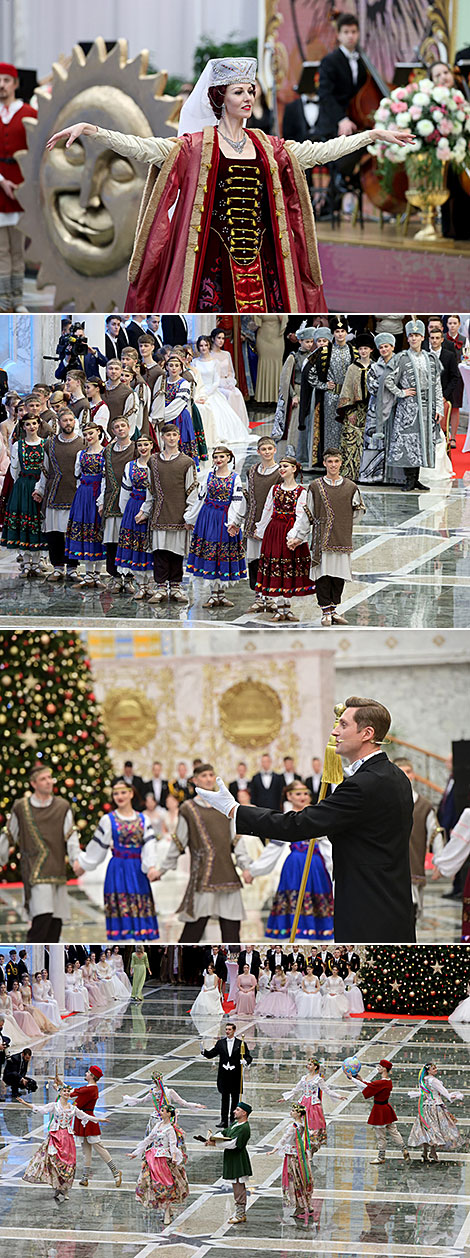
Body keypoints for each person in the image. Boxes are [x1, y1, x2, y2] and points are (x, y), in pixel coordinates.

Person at [47, 58, 412, 314]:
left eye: (250, 91)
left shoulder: (268, 146)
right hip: (210, 263)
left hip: (264, 261)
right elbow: (144, 149)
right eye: (240, 92)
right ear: (221, 97)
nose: (248, 98)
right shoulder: (194, 146)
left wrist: (371, 135)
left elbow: (320, 152)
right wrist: (93, 131)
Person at [196, 696, 416, 942]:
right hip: (392, 898)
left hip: (367, 902)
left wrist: (235, 810)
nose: (335, 732)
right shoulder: (395, 775)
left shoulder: (364, 784)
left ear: (367, 733)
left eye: (343, 725)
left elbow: (297, 825)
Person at [154, 763, 252, 942]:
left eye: (211, 775)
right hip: (202, 876)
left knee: (232, 934)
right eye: (204, 775)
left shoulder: (227, 806)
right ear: (195, 780)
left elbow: (237, 840)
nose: (208, 779)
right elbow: (178, 843)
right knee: (193, 932)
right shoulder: (188, 809)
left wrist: (246, 868)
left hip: (228, 875)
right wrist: (162, 870)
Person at [73, 778, 160, 940]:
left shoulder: (143, 819)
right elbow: (97, 847)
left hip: (137, 869)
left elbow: (149, 845)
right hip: (118, 869)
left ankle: (141, 937)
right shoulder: (108, 820)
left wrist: (151, 867)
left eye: (123, 792)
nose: (119, 796)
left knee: (139, 903)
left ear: (131, 794)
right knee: (120, 905)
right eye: (116, 793)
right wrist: (84, 864)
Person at [245, 780, 334, 939]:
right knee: (295, 907)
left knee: (317, 905)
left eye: (305, 793)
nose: (303, 797)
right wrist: (254, 870)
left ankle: (316, 935)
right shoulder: (285, 818)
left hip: (316, 867)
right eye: (298, 794)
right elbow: (273, 849)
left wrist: (334, 865)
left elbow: (327, 845)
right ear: (289, 796)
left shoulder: (317, 815)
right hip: (294, 868)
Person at [287, 447, 364, 626]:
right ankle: (325, 611)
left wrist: (344, 523)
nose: (333, 465)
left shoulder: (351, 487)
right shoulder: (316, 486)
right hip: (321, 539)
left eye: (336, 461)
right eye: (330, 462)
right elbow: (308, 513)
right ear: (324, 463)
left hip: (342, 538)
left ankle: (334, 609)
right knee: (323, 575)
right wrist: (299, 536)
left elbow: (358, 512)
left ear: (341, 462)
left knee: (338, 575)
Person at [5, 763, 81, 942]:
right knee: (42, 916)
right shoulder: (21, 807)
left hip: (57, 870)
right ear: (33, 783)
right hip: (34, 871)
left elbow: (70, 836)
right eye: (43, 779)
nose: (48, 782)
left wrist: (76, 859)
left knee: (55, 922)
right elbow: (9, 835)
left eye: (49, 778)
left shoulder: (62, 806)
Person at [137, 420, 198, 605]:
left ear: (179, 437)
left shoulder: (187, 462)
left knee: (176, 552)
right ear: (162, 438)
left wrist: (189, 516)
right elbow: (150, 490)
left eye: (174, 435)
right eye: (168, 435)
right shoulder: (153, 461)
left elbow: (192, 491)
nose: (171, 438)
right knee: (160, 551)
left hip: (179, 514)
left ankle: (177, 586)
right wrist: (144, 511)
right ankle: (161, 587)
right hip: (159, 513)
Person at [385, 319, 444, 492]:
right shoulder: (401, 358)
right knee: (408, 442)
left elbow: (437, 385)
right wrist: (401, 392)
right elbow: (388, 380)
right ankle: (409, 479)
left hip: (427, 406)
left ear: (422, 337)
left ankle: (416, 478)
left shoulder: (430, 358)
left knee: (421, 442)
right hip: (408, 408)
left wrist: (439, 407)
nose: (414, 339)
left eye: (417, 335)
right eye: (411, 336)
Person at [186, 445, 247, 609]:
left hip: (225, 518)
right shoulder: (208, 476)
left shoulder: (235, 478)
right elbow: (200, 498)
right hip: (208, 517)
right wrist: (191, 518)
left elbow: (237, 501)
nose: (218, 460)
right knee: (210, 551)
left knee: (222, 552)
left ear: (228, 458)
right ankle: (214, 594)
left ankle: (222, 593)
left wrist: (233, 522)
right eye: (216, 457)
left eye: (222, 457)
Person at [255, 453, 314, 622]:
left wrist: (294, 536)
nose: (282, 469)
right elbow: (267, 510)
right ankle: (280, 609)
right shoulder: (274, 489)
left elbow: (302, 516)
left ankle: (287, 608)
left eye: (285, 466)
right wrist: (260, 530)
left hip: (290, 532)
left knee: (289, 568)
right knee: (276, 568)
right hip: (274, 531)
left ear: (294, 469)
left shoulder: (301, 492)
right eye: (280, 466)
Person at [0, 62, 36, 312]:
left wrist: (25, 183)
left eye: (6, 80)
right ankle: (4, 299)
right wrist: (2, 181)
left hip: (21, 186)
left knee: (18, 248)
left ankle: (18, 298)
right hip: (1, 183)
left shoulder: (28, 113)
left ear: (15, 84)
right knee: (2, 249)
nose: (2, 85)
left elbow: (37, 152)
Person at [32, 407, 83, 582]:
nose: (67, 423)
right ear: (59, 423)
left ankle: (73, 568)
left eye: (70, 420)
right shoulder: (50, 444)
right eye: (64, 420)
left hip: (75, 494)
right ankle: (58, 567)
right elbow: (45, 470)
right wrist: (40, 489)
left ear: (74, 422)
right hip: (54, 493)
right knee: (54, 533)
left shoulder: (82, 443)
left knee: (72, 533)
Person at [394, 758, 444, 922]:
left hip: (413, 868)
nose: (405, 775)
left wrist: (440, 862)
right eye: (400, 771)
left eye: (408, 771)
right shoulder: (384, 802)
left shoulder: (424, 805)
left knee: (412, 913)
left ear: (413, 774)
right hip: (388, 869)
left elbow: (434, 833)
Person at [21, 1083, 90, 1203]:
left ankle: (65, 1188)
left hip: (67, 1139)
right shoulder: (55, 1106)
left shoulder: (72, 1108)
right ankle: (58, 1186)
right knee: (54, 1161)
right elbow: (41, 1109)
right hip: (55, 1136)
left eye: (68, 1092)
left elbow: (84, 1116)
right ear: (60, 1093)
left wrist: (98, 1120)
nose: (66, 1093)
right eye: (64, 1091)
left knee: (68, 1163)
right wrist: (26, 1104)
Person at [129, 1101, 189, 1226]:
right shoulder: (158, 1125)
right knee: (153, 1184)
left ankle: (167, 1211)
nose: (160, 1112)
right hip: (152, 1158)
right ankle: (167, 1209)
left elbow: (173, 1145)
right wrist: (136, 1152)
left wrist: (173, 1157)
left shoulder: (170, 1129)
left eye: (163, 1111)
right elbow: (149, 1139)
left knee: (165, 1185)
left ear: (168, 1114)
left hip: (163, 1160)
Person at [64, 420, 106, 587]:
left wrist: (101, 500)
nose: (89, 436)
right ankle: (88, 575)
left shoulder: (105, 453)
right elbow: (77, 475)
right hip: (83, 494)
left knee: (96, 530)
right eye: (86, 434)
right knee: (85, 530)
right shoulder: (81, 454)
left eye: (91, 433)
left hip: (97, 494)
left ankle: (96, 574)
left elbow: (105, 478)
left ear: (98, 433)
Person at [1, 414, 45, 574]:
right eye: (28, 424)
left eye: (34, 423)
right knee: (23, 522)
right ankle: (26, 562)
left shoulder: (44, 444)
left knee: (38, 523)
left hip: (39, 485)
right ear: (23, 427)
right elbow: (14, 469)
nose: (32, 427)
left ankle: (37, 561)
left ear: (39, 425)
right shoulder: (18, 445)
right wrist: (23, 484)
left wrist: (40, 488)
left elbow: (46, 469)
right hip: (23, 486)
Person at [97, 416, 136, 589]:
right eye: (117, 427)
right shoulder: (108, 450)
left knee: (128, 539)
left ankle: (128, 577)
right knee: (112, 541)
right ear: (112, 431)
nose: (120, 429)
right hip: (111, 499)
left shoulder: (136, 448)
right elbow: (104, 477)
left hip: (131, 501)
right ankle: (115, 576)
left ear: (129, 428)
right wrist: (101, 502)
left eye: (123, 426)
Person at [243, 436, 281, 612]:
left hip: (273, 524)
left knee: (271, 561)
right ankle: (258, 596)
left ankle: (271, 596)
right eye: (263, 449)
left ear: (274, 450)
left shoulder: (280, 472)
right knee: (255, 561)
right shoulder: (251, 471)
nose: (266, 452)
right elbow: (248, 497)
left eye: (269, 449)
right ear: (258, 452)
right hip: (253, 521)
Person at [347, 1060, 410, 1165]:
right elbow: (372, 1085)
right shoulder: (388, 1082)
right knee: (394, 1132)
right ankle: (403, 1149)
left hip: (379, 1110)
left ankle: (381, 1157)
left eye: (380, 1066)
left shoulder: (381, 1082)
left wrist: (352, 1079)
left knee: (381, 1136)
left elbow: (368, 1087)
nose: (378, 1068)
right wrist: (362, 1079)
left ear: (385, 1069)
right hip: (387, 1109)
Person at [69, 1064, 122, 1188]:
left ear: (92, 1076)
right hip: (83, 1119)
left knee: (98, 1147)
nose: (86, 1074)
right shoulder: (89, 1088)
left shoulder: (90, 1089)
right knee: (86, 1150)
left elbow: (75, 1097)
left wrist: (63, 1089)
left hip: (87, 1120)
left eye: (88, 1072)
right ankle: (85, 1177)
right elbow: (74, 1093)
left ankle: (115, 1172)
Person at [358, 333, 401, 484]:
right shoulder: (374, 367)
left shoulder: (400, 364)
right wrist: (391, 386)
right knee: (374, 440)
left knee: (395, 440)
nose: (383, 349)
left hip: (396, 406)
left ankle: (395, 477)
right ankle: (371, 475)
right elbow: (372, 387)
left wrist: (391, 388)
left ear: (392, 347)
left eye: (386, 346)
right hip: (376, 408)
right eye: (381, 347)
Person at [115, 432, 154, 596]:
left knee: (149, 545)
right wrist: (126, 512)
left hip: (152, 508)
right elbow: (125, 489)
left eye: (146, 444)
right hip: (133, 506)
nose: (143, 448)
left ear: (152, 445)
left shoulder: (157, 464)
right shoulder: (130, 466)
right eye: (140, 445)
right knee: (135, 545)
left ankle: (151, 585)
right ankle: (141, 585)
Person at [205, 1100, 253, 1225]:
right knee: (235, 1184)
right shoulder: (236, 1124)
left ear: (244, 1113)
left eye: (237, 1110)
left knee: (238, 1185)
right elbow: (224, 1133)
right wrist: (213, 1137)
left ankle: (240, 1213)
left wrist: (215, 1143)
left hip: (238, 1159)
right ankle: (239, 1212)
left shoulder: (244, 1128)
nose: (234, 1111)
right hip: (232, 1158)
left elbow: (233, 1144)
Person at [282, 1057, 346, 1148]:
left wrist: (338, 1096)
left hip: (313, 1104)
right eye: (308, 1064)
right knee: (301, 1123)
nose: (308, 1066)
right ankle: (302, 1142)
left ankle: (311, 1144)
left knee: (313, 1125)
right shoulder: (304, 1078)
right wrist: (285, 1098)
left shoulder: (318, 1079)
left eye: (310, 1064)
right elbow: (295, 1090)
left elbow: (327, 1090)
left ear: (315, 1067)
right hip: (303, 1102)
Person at [337, 333, 375, 480]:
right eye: (361, 349)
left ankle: (368, 473)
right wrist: (348, 409)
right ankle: (350, 473)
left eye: (366, 348)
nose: (363, 351)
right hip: (354, 409)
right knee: (351, 442)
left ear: (371, 350)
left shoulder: (375, 366)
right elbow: (347, 388)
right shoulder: (353, 367)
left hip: (371, 410)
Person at [268, 1102, 314, 1222]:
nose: (291, 1112)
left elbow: (284, 1139)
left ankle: (300, 1205)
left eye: (293, 1111)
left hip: (292, 1156)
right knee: (301, 1179)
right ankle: (306, 1204)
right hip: (299, 1155)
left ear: (299, 1113)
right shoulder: (302, 1125)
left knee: (294, 1181)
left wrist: (274, 1149)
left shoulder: (293, 1126)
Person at [408, 1062, 463, 1162]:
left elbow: (423, 1093)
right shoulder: (433, 1081)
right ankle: (433, 1152)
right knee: (435, 1128)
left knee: (426, 1129)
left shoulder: (424, 1080)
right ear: (428, 1071)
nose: (436, 1069)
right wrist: (452, 1097)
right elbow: (443, 1092)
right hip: (435, 1106)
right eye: (433, 1068)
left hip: (425, 1107)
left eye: (435, 1068)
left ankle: (425, 1152)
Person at [201, 1022, 253, 1127]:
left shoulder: (240, 1043)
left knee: (235, 1099)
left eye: (229, 1029)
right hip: (224, 1075)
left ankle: (233, 1118)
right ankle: (223, 1120)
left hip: (235, 1075)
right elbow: (212, 1054)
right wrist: (204, 1052)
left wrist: (245, 1061)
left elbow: (248, 1057)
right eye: (226, 1029)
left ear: (234, 1030)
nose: (227, 1031)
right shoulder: (221, 1043)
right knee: (224, 1099)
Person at [252, 315, 288, 405]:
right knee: (263, 365)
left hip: (277, 337)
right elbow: (255, 320)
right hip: (263, 337)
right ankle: (262, 398)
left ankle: (276, 397)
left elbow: (285, 320)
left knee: (277, 366)